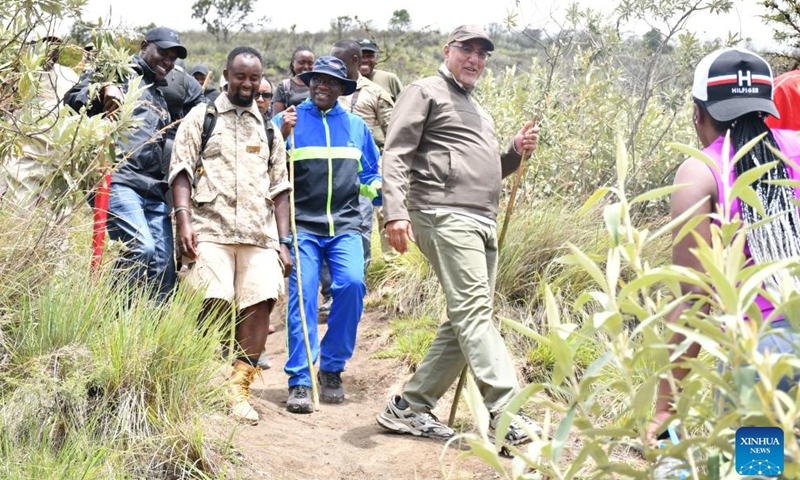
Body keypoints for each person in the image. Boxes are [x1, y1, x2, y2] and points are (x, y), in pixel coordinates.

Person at [375, 25, 541, 445]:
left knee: (465, 319)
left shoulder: (478, 109)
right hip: (441, 213)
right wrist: (394, 212)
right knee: (474, 313)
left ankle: (410, 408)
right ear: (448, 50)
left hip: (480, 219)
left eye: (483, 54)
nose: (475, 60)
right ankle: (507, 416)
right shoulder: (425, 90)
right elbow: (396, 152)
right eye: (467, 50)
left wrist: (513, 152)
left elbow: (487, 169)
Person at [646, 47, 800, 443]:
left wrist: (666, 407)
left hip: (765, 361)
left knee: (758, 471)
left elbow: (692, 299)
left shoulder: (701, 171)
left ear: (698, 113)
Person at [169, 46, 292, 425]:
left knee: (260, 299)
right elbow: (181, 171)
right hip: (209, 229)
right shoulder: (201, 117)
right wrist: (184, 221)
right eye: (240, 76)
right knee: (212, 299)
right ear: (226, 74)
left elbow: (281, 188)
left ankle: (238, 388)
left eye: (254, 78)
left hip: (258, 234)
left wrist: (285, 242)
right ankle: (205, 375)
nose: (247, 84)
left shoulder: (268, 129)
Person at [272, 56, 382, 414]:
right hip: (303, 226)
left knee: (351, 285)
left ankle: (332, 368)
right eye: (317, 80)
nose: (322, 86)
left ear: (341, 89)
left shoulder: (356, 127)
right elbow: (267, 167)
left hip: (345, 225)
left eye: (331, 82)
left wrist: (378, 189)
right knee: (302, 296)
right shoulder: (287, 120)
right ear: (309, 82)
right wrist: (281, 135)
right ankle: (300, 380)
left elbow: (369, 175)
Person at [64, 26, 188, 301]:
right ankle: (106, 312)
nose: (167, 62)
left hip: (154, 192)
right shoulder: (118, 74)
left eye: (173, 59)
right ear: (144, 45)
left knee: (163, 270)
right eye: (163, 53)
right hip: (119, 180)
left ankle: (148, 334)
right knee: (140, 247)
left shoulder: (160, 96)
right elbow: (74, 96)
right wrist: (103, 90)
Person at [315, 40, 394, 315]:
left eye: (338, 60)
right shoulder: (322, 91)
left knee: (359, 229)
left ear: (352, 60)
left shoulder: (375, 93)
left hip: (362, 171)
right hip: (326, 175)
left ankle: (353, 291)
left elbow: (394, 131)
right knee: (324, 228)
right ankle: (331, 295)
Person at [161, 59, 204, 180]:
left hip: (152, 140)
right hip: (179, 142)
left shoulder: (153, 75)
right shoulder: (193, 84)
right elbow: (201, 114)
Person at [271, 46, 314, 115]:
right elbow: (277, 119)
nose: (306, 66)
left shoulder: (319, 85)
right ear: (293, 63)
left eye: (310, 63)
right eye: (301, 62)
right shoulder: (284, 87)